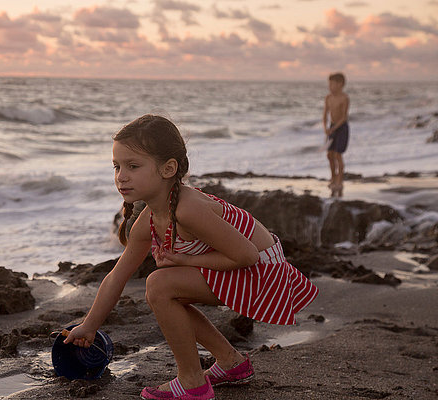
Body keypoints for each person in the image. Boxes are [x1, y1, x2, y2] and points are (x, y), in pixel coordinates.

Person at [64, 115, 319, 400]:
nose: (121, 176)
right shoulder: (150, 218)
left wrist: (184, 261)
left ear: (168, 168)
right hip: (247, 268)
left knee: (160, 285)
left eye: (133, 166)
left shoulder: (187, 209)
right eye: (117, 166)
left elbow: (247, 256)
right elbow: (117, 275)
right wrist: (89, 325)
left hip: (264, 273)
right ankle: (230, 362)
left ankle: (192, 382)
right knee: (166, 289)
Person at [323, 72, 350, 197]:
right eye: (329, 84)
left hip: (341, 128)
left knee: (338, 155)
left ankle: (340, 181)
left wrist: (334, 129)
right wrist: (326, 127)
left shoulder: (344, 98)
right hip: (332, 127)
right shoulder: (328, 97)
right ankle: (333, 177)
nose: (330, 86)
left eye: (332, 84)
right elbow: (325, 114)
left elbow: (344, 117)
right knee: (329, 155)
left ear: (340, 84)